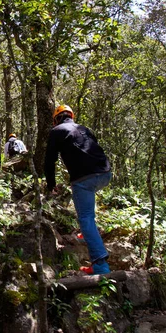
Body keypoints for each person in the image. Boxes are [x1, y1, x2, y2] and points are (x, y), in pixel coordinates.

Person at [44, 105, 112, 275]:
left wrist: (50, 184)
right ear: (71, 116)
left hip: (84, 177)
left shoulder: (56, 131)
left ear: (56, 119)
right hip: (105, 173)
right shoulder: (83, 128)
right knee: (88, 213)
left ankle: (100, 266)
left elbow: (49, 161)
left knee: (86, 218)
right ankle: (86, 233)